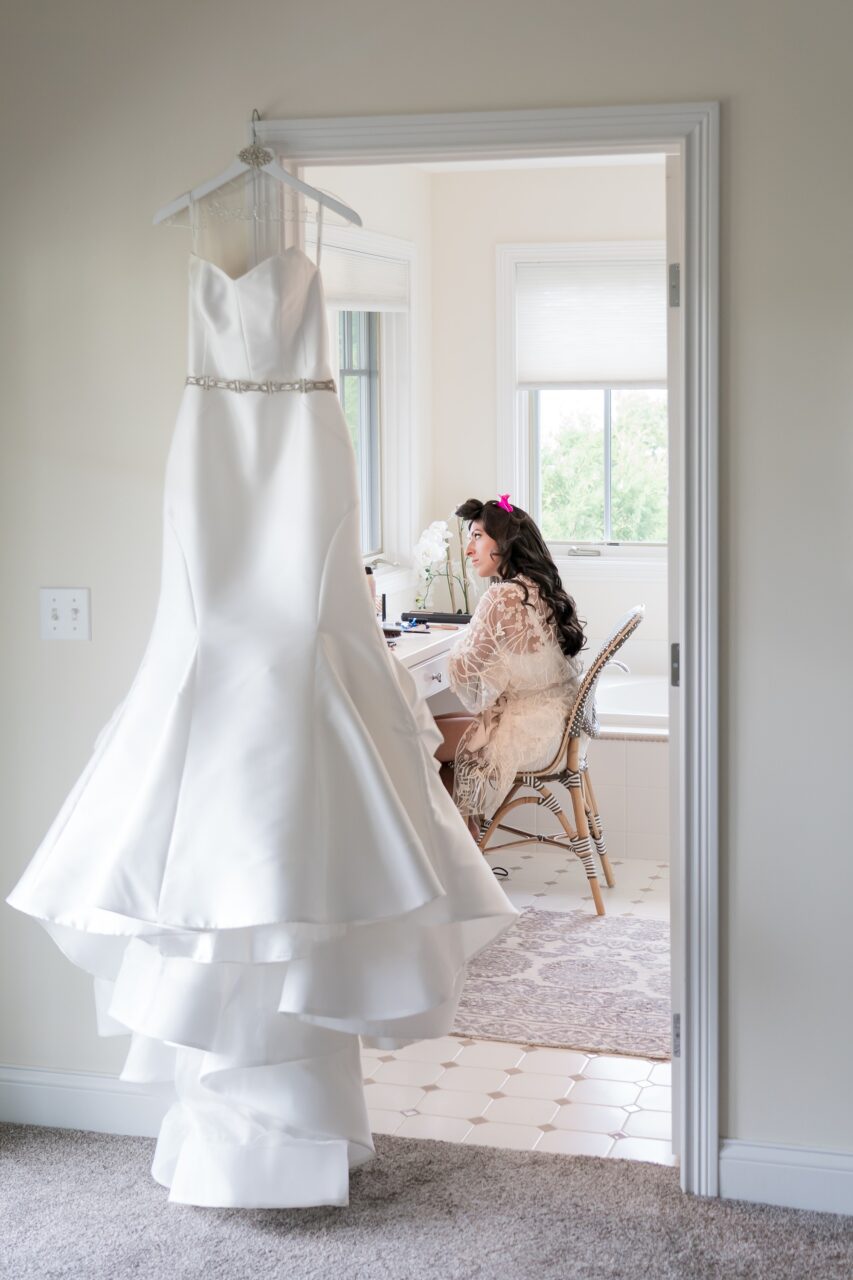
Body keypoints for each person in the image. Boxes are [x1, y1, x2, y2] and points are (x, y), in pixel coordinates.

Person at [434, 495, 588, 838]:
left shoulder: (502, 596)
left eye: (477, 537)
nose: (469, 549)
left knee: (415, 738)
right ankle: (467, 855)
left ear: (503, 544)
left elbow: (463, 669)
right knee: (427, 733)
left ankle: (459, 861)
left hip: (528, 733)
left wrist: (460, 641)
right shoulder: (538, 587)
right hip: (553, 725)